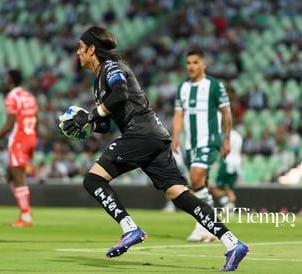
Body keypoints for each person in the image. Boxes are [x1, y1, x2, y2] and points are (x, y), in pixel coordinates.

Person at [60, 26, 249, 271]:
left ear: (92, 49)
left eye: (80, 48)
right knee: (178, 194)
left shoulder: (112, 67)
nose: (77, 52)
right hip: (154, 137)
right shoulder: (98, 83)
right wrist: (85, 124)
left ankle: (130, 228)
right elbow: (106, 124)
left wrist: (92, 114)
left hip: (141, 133)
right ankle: (233, 243)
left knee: (93, 180)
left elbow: (120, 93)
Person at [172, 48, 233, 242]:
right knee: (201, 185)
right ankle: (210, 227)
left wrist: (227, 138)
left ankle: (203, 226)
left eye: (195, 62)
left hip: (208, 141)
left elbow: (226, 112)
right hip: (189, 144)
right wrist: (175, 137)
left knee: (196, 178)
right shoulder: (182, 87)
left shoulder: (214, 85)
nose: (191, 66)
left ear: (204, 64)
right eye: (189, 62)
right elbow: (178, 113)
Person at [0, 69, 38, 227]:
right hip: (30, 138)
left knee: (18, 177)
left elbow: (9, 124)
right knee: (10, 175)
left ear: (10, 81)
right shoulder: (29, 96)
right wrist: (34, 143)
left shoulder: (12, 97)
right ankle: (25, 206)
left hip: (19, 140)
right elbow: (35, 118)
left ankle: (25, 217)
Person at [211, 129, 243, 211]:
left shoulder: (225, 135)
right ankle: (230, 207)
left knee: (215, 187)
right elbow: (240, 151)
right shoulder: (239, 136)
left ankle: (227, 204)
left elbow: (221, 150)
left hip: (227, 162)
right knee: (229, 189)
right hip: (237, 164)